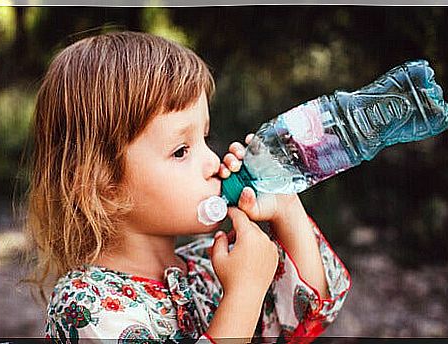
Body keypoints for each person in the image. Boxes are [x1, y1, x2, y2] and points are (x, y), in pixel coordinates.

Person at [24, 31, 351, 343]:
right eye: (181, 150)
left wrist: (284, 206)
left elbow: (311, 313)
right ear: (106, 187)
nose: (213, 163)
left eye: (204, 139)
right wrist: (244, 293)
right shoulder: (86, 305)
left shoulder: (212, 265)